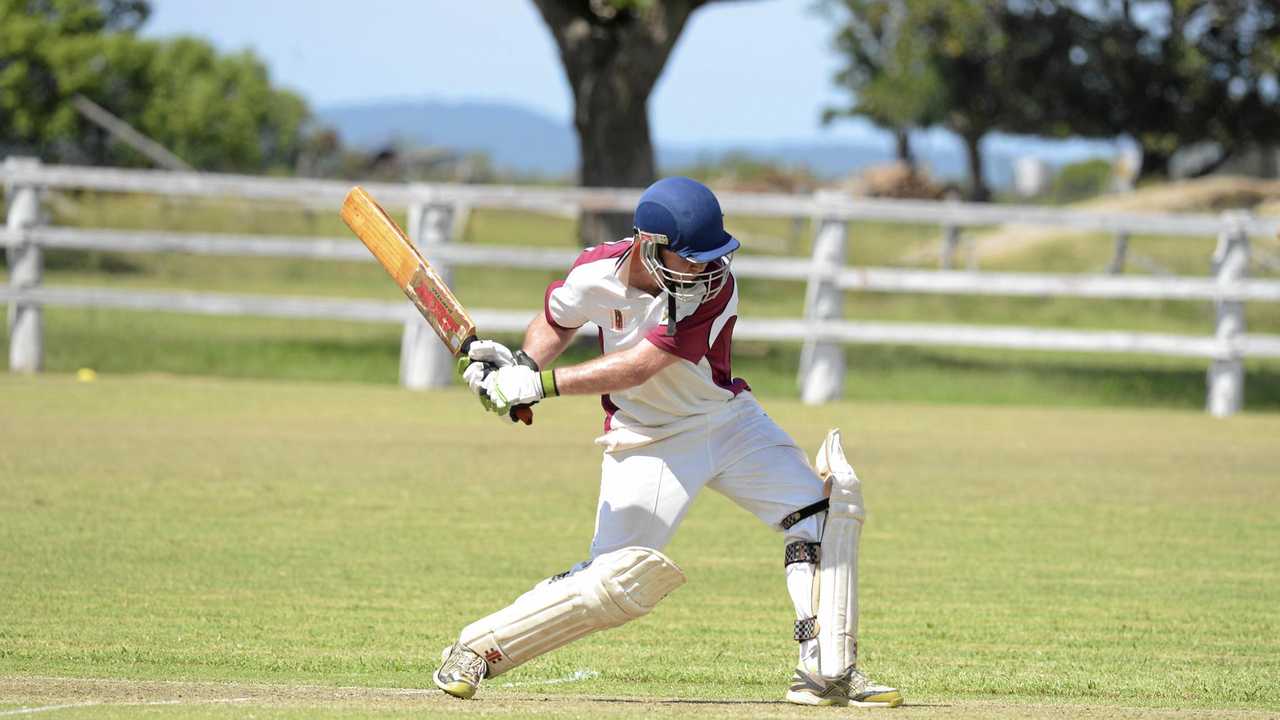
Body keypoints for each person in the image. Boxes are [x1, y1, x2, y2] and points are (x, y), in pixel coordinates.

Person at [433, 177, 902, 708]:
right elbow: (555, 318)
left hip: (726, 421)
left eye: (712, 257)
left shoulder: (716, 287)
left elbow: (642, 365)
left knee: (824, 512)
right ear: (649, 244)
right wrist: (522, 365)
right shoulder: (594, 270)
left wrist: (540, 386)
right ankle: (476, 647)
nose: (706, 268)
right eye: (692, 258)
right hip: (645, 439)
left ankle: (825, 670)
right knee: (613, 585)